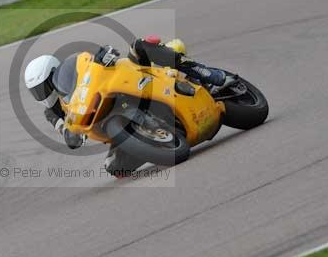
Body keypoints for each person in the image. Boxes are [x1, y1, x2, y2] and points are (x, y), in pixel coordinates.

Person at [23, 36, 235, 173]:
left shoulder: (74, 70)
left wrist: (103, 55)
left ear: (53, 74)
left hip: (129, 84)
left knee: (139, 45)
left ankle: (207, 74)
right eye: (37, 92)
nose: (43, 94)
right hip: (109, 125)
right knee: (115, 168)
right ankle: (152, 141)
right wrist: (70, 135)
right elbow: (66, 133)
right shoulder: (52, 112)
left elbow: (93, 62)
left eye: (43, 87)